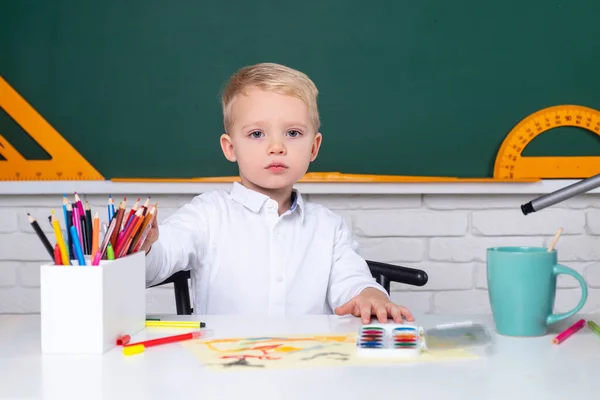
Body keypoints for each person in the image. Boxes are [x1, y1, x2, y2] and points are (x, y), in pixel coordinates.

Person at [142, 62, 414, 324]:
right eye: (257, 133)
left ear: (314, 147)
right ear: (230, 148)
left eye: (293, 133)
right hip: (226, 364)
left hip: (309, 362)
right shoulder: (207, 214)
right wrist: (144, 246)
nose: (276, 146)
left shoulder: (328, 227)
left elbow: (352, 280)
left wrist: (370, 294)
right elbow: (156, 263)